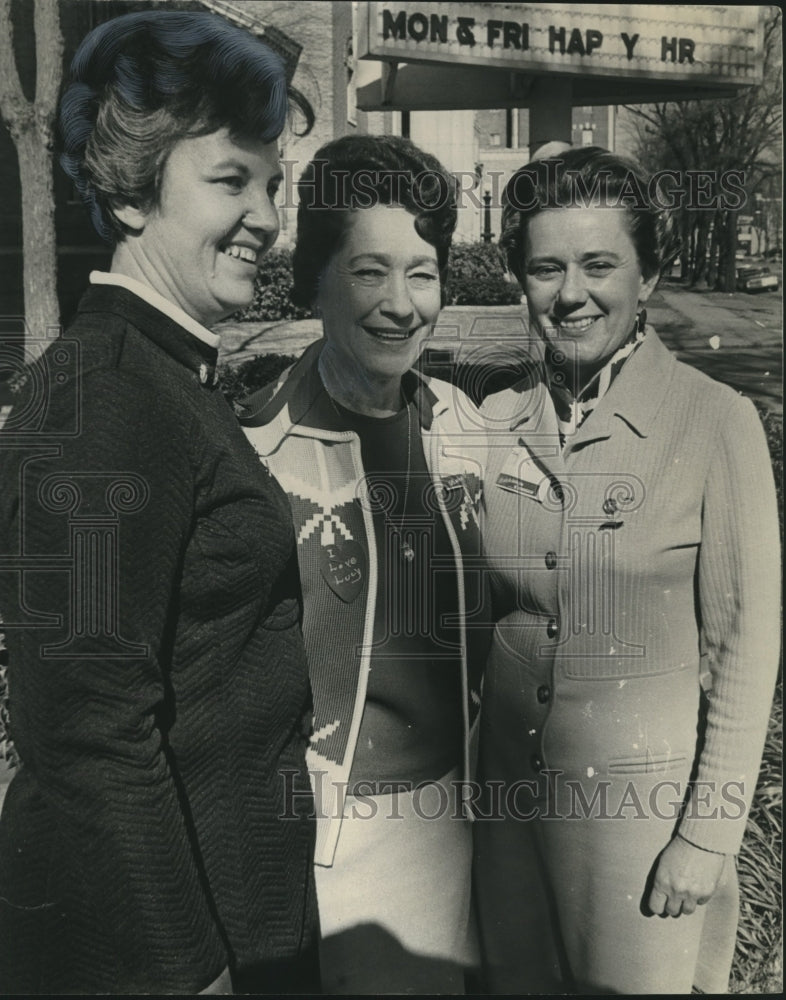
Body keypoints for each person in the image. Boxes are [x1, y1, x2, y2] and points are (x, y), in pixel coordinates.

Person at [0, 11, 319, 994]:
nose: (266, 215)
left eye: (273, 182)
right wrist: (192, 974)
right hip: (152, 951)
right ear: (132, 194)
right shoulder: (107, 400)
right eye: (230, 180)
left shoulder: (158, 378)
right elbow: (88, 735)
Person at [474, 146, 780, 995]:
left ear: (647, 278)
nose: (571, 293)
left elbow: (745, 654)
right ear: (521, 281)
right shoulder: (492, 421)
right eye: (545, 268)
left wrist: (707, 839)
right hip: (507, 832)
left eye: (600, 264)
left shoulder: (718, 423)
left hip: (642, 844)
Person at [240, 134, 489, 994]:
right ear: (315, 280)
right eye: (368, 271)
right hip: (337, 841)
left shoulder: (461, 421)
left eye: (422, 272)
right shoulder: (257, 449)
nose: (401, 304)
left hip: (466, 817)